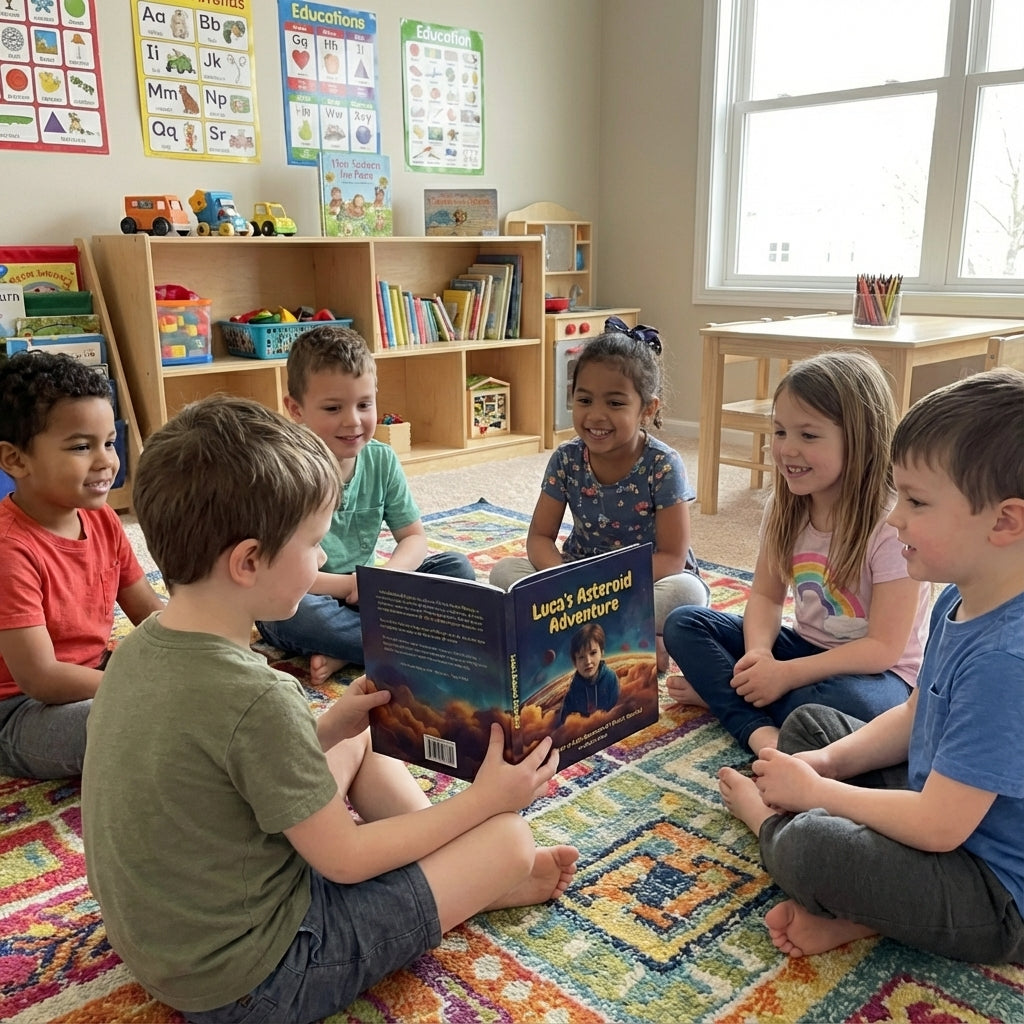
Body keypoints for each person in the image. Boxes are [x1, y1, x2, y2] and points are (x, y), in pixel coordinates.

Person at [81, 396, 579, 1023]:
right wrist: (482, 803)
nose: (323, 560)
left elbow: (225, 764)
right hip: (260, 980)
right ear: (248, 561)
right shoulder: (259, 696)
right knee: (508, 838)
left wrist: (328, 727)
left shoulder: (135, 649)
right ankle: (484, 873)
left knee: (358, 734)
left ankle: (462, 865)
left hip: (166, 945)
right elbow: (344, 860)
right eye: (315, 544)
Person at [718, 367, 1024, 964]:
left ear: (1005, 521)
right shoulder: (960, 598)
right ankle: (866, 910)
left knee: (810, 846)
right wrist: (827, 763)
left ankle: (776, 835)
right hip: (941, 811)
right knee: (810, 728)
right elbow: (913, 717)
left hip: (994, 890)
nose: (895, 517)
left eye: (916, 502)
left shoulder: (1005, 661)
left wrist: (818, 792)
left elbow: (939, 826)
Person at [663, 351, 930, 754]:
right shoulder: (784, 507)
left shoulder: (890, 524)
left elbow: (883, 648)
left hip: (880, 676)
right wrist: (759, 658)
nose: (787, 449)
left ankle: (727, 699)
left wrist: (785, 676)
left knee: (850, 708)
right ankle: (757, 722)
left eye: (808, 436)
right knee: (684, 624)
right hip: (803, 651)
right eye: (780, 431)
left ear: (859, 439)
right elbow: (766, 596)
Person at [256, 325, 475, 684]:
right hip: (308, 593)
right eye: (333, 408)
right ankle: (408, 646)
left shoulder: (382, 459)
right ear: (295, 409)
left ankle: (352, 650)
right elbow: (278, 573)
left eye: (364, 404)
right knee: (291, 615)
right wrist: (349, 586)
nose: (353, 421)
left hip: (372, 593)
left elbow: (413, 538)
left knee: (456, 569)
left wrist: (386, 579)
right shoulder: (284, 472)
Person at [489, 323, 709, 672]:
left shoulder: (663, 464)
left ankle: (574, 635)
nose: (595, 415)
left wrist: (610, 588)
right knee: (503, 574)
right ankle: (625, 640)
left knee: (687, 596)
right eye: (584, 400)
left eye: (615, 403)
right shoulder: (566, 458)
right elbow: (540, 537)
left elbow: (672, 556)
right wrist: (562, 578)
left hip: (642, 583)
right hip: (576, 578)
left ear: (648, 409)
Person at [0, 351, 163, 780]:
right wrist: (140, 688)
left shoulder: (102, 517)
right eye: (81, 447)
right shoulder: (10, 549)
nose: (106, 461)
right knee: (144, 719)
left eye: (109, 442)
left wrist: (204, 650)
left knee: (196, 683)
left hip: (94, 672)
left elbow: (150, 613)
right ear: (15, 460)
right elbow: (40, 677)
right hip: (20, 710)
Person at [557, 622, 619, 726]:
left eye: (593, 653)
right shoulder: (573, 691)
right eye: (581, 657)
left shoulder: (610, 679)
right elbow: (566, 724)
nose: (588, 661)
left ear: (602, 652)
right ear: (574, 662)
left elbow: (618, 709)